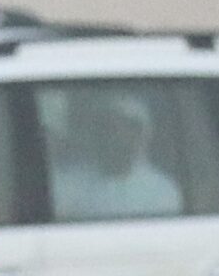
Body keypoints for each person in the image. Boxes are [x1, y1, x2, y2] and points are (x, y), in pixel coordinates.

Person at [54, 91, 184, 221]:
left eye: (128, 130)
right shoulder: (68, 183)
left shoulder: (161, 191)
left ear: (142, 136)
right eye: (109, 128)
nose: (117, 138)